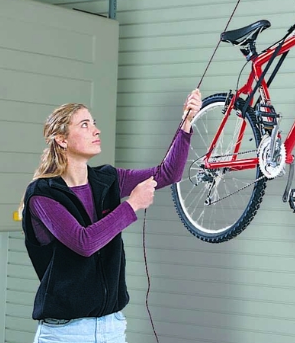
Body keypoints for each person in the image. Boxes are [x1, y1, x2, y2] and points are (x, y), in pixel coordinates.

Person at [20, 89, 202, 343]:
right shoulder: (43, 193)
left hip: (112, 327)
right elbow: (84, 243)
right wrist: (132, 205)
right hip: (66, 333)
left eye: (94, 123)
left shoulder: (107, 179)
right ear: (62, 140)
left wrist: (187, 123)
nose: (96, 130)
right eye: (85, 125)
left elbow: (167, 173)